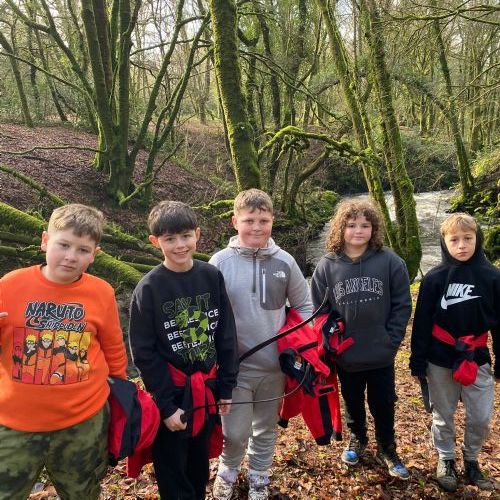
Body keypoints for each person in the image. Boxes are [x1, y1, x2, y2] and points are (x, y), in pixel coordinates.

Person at [0, 203, 128, 500]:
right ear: (45, 241)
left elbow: (113, 347)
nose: (71, 256)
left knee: (83, 492)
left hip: (83, 422)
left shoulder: (102, 292)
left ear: (94, 254)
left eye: (83, 250)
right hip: (15, 421)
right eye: (64, 245)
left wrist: (121, 394)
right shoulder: (9, 286)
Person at [128, 201, 238, 500]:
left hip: (207, 390)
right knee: (173, 471)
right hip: (173, 393)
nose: (180, 245)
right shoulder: (149, 288)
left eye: (186, 236)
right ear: (155, 241)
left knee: (198, 467)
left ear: (197, 234)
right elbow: (144, 352)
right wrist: (165, 406)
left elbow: (226, 334)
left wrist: (226, 386)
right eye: (170, 239)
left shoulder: (211, 276)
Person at [210, 189, 312, 500]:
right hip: (235, 370)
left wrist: (297, 343)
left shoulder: (285, 261)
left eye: (263, 221)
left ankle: (259, 476)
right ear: (235, 222)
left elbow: (305, 305)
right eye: (249, 220)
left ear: (272, 221)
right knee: (235, 432)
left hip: (274, 367)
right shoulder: (220, 262)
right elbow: (209, 314)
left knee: (265, 428)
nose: (256, 227)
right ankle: (227, 471)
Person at [310, 198, 412, 480]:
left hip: (381, 352)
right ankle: (358, 439)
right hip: (347, 353)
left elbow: (402, 304)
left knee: (383, 402)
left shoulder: (390, 261)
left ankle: (387, 448)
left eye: (365, 225)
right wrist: (330, 340)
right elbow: (319, 310)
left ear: (374, 228)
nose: (358, 230)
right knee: (352, 399)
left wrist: (391, 339)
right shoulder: (327, 266)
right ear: (340, 228)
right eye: (351, 225)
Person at [410, 213, 499, 492]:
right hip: (440, 357)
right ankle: (446, 458)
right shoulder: (434, 278)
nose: (461, 245)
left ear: (477, 239)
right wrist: (417, 361)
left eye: (468, 239)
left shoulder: (493, 277)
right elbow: (422, 323)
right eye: (454, 240)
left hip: (477, 357)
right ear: (444, 242)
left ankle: (471, 459)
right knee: (443, 413)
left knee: (481, 416)